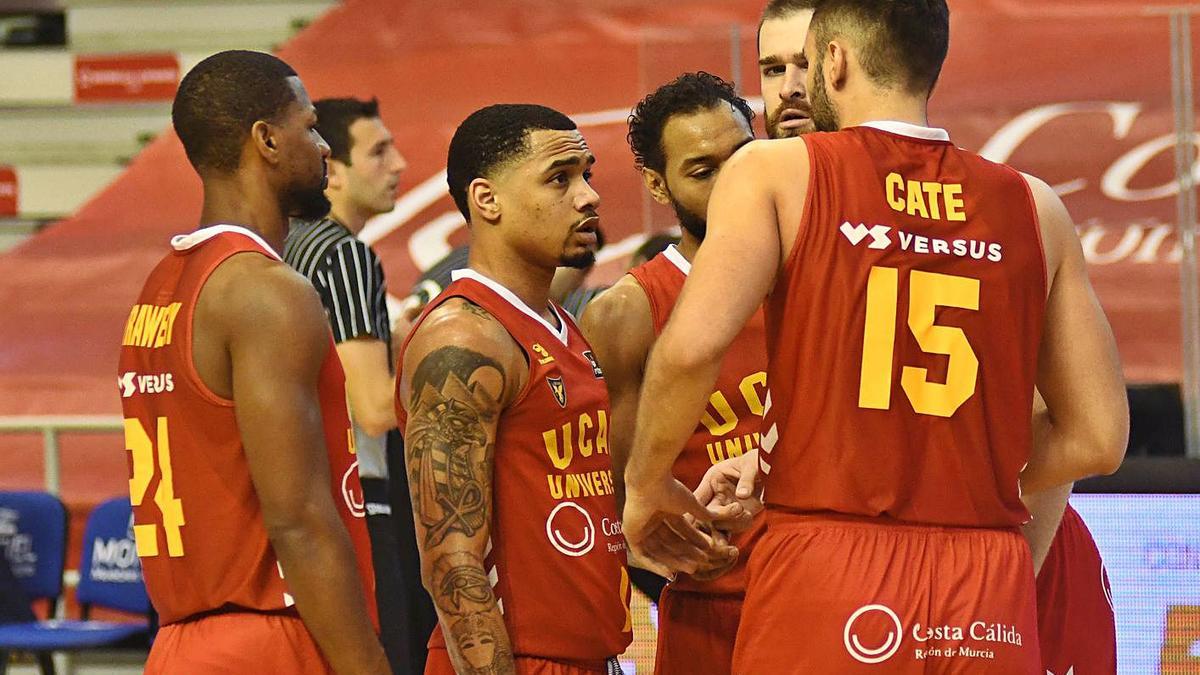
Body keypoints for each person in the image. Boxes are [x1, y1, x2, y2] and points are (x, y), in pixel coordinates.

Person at [622, 1, 1129, 672]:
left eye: (799, 63)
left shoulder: (776, 170)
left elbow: (689, 350)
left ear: (834, 61)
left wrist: (647, 484)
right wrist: (946, 476)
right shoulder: (1036, 205)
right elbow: (1098, 436)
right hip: (983, 580)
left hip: (830, 560)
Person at [769, 3, 1124, 672]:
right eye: (771, 68)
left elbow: (1069, 425)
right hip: (900, 568)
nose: (791, 85)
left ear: (843, 60)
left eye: (803, 61)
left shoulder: (982, 204)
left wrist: (991, 520)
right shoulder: (768, 217)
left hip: (983, 556)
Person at [118, 50, 386, 674]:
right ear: (266, 140)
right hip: (268, 637)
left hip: (182, 641)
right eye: (310, 126)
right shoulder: (266, 291)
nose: (324, 149)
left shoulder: (160, 287)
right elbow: (298, 520)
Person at [394, 104, 632, 674]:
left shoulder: (558, 321)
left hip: (590, 653)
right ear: (487, 200)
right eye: (559, 178)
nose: (588, 196)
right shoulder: (464, 337)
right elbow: (453, 560)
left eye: (586, 174)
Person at [581, 72, 760, 675]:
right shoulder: (628, 311)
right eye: (704, 170)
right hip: (712, 610)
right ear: (658, 185)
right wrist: (665, 551)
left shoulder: (816, 276)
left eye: (741, 159)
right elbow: (615, 495)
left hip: (831, 591)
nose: (731, 182)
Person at [283, 96, 438, 674]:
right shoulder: (344, 255)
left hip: (306, 491)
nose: (398, 163)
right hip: (362, 498)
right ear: (335, 170)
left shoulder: (288, 244)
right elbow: (374, 407)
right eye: (379, 151)